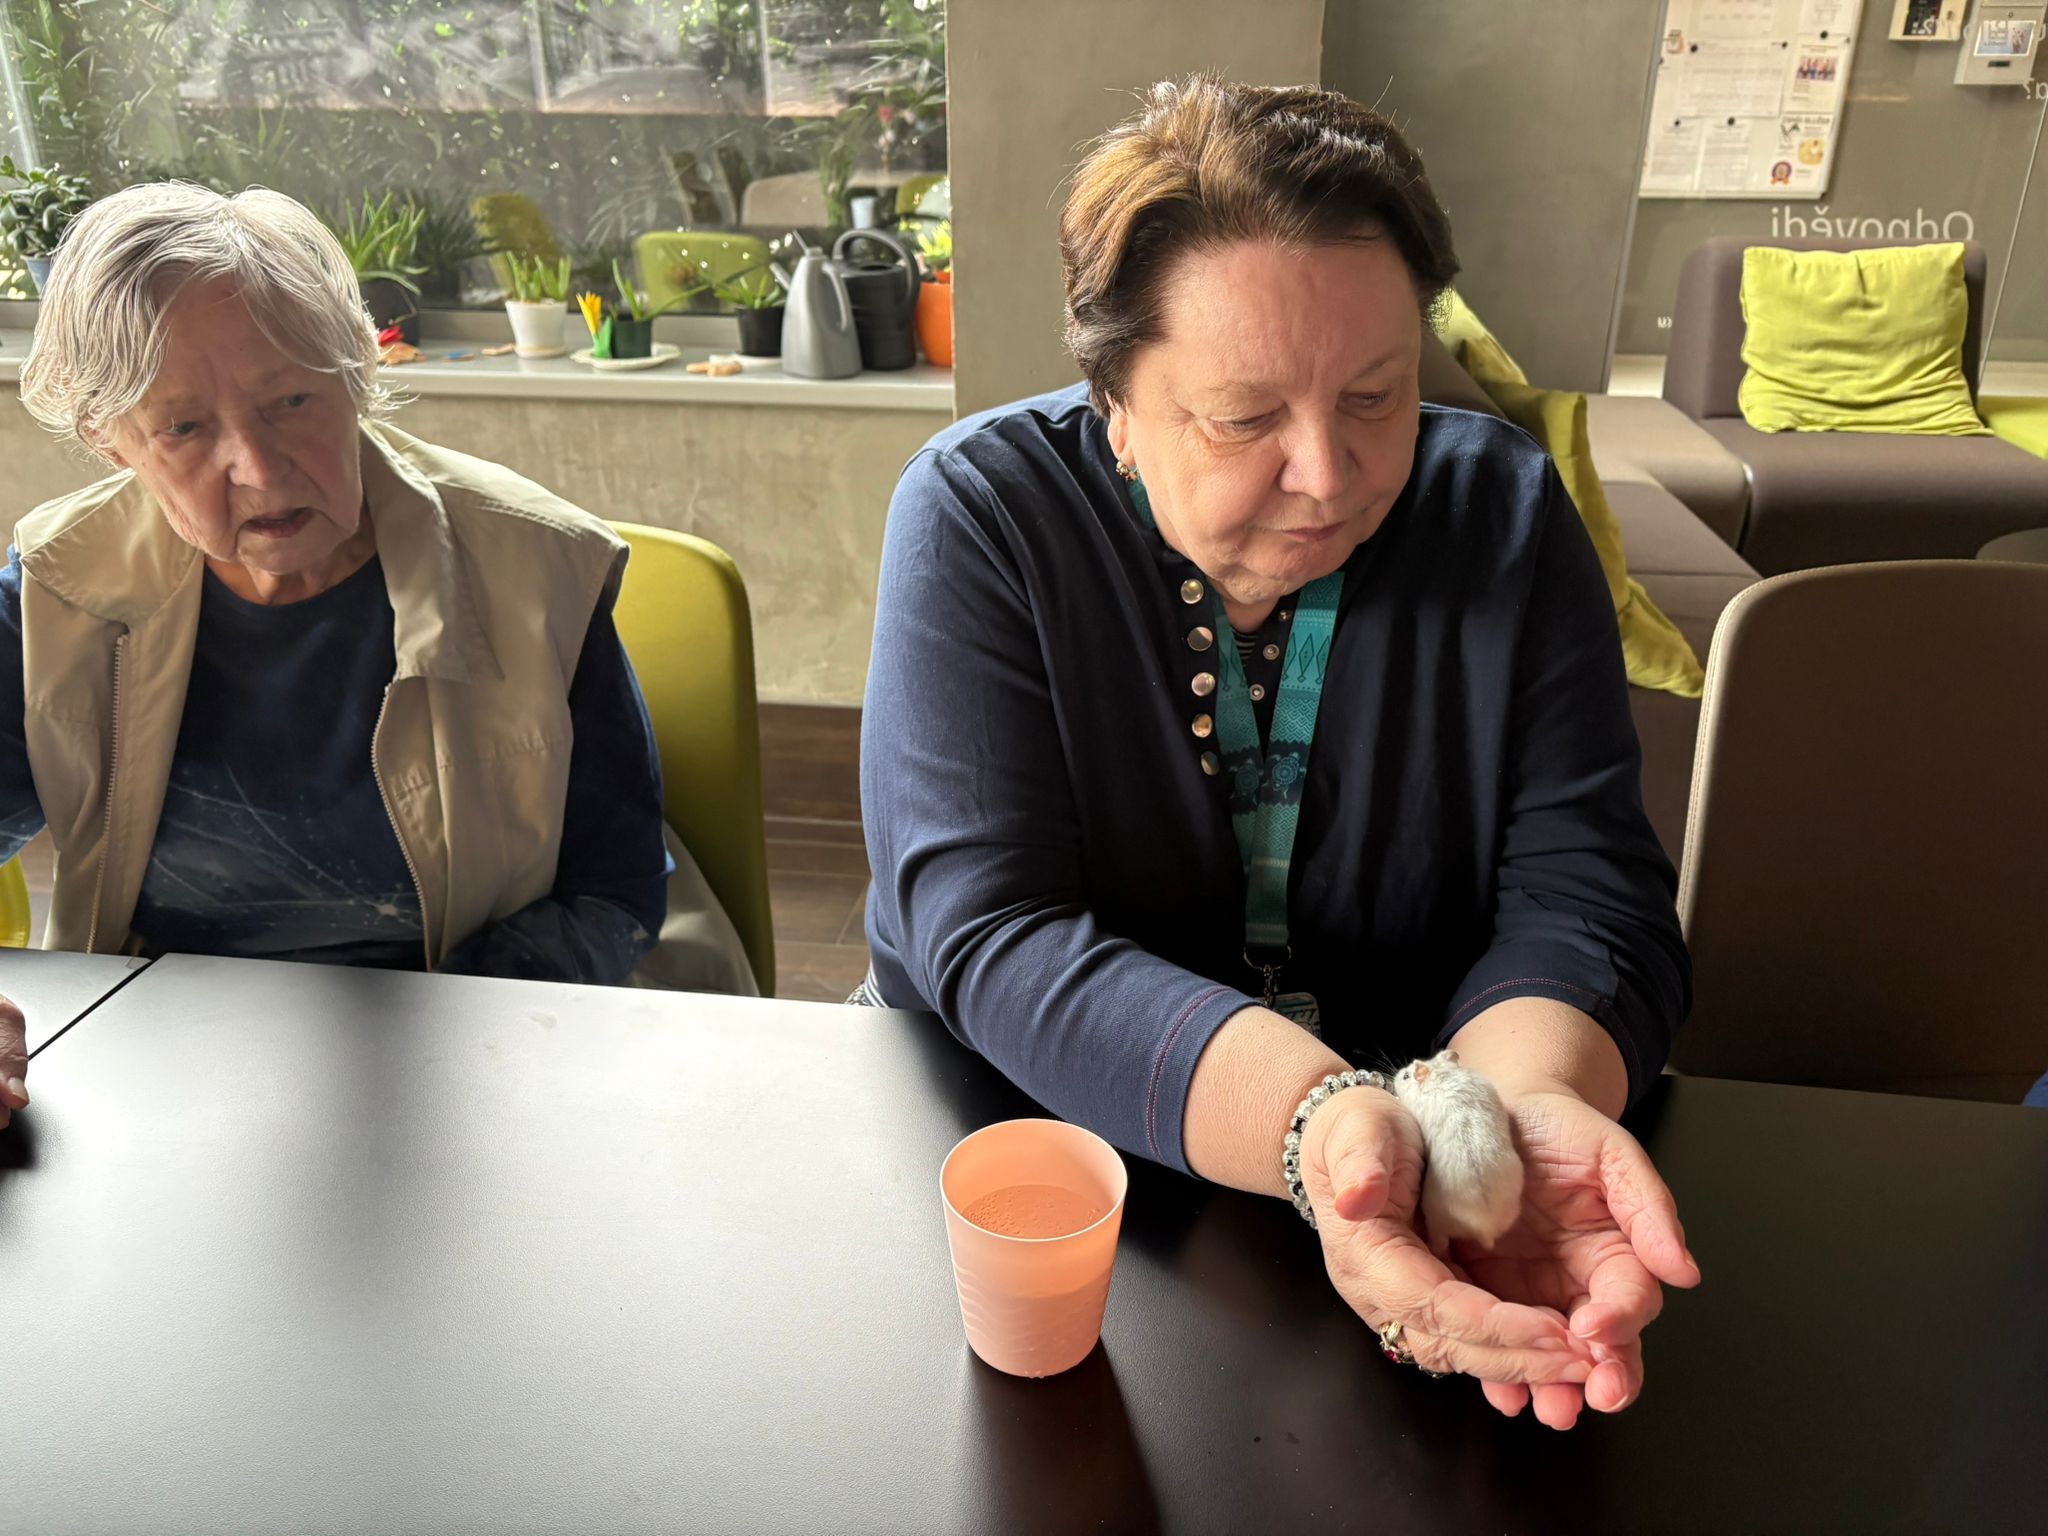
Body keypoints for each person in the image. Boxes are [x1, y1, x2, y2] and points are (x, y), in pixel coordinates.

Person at [859, 77, 1700, 1430]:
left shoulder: (1499, 511)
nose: (1328, 471)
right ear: (1116, 404)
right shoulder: (984, 518)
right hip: (1036, 1173)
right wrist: (1319, 1130)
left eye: (1376, 395)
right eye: (1243, 418)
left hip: (1427, 1170)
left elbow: (1586, 893)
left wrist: (1498, 1126)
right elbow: (988, 927)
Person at [0, 181, 753, 1130]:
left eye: (292, 400)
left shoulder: (538, 568)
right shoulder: (56, 593)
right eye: (184, 428)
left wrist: (403, 1069)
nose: (260, 469)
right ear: (112, 443)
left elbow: (616, 893)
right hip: (174, 1070)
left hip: (486, 1050)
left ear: (357, 371)